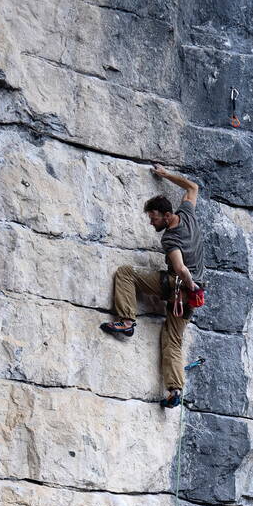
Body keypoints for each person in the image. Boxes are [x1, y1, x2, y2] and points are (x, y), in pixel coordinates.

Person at [100, 164, 205, 408]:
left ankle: (126, 321)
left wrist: (190, 286)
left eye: (153, 217)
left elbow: (180, 268)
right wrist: (166, 175)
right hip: (192, 297)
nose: (151, 222)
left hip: (177, 287)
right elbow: (192, 187)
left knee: (126, 273)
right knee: (173, 339)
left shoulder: (170, 237)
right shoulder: (187, 214)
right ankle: (174, 391)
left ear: (166, 215)